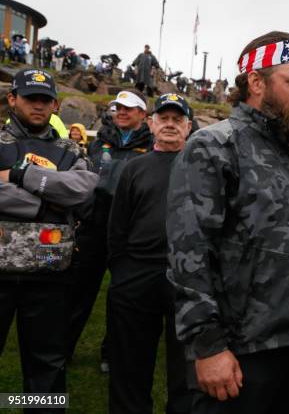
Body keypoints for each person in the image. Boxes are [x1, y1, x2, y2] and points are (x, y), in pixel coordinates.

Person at [166, 31, 289, 414]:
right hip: (244, 349)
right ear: (256, 82)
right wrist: (208, 345)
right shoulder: (214, 147)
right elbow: (189, 253)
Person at [0, 69, 98, 403]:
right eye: (30, 98)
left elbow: (84, 192)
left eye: (45, 100)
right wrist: (47, 206)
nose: (38, 106)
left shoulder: (69, 148)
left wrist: (18, 175)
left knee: (47, 367)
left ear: (55, 104)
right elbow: (65, 194)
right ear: (13, 99)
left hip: (49, 272)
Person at [106, 93, 192, 414]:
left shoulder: (203, 167)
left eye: (177, 119)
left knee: (187, 368)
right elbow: (116, 227)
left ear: (188, 126)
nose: (170, 124)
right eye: (164, 118)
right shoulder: (133, 168)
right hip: (136, 276)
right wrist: (123, 272)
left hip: (188, 277)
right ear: (152, 123)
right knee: (129, 364)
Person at [66, 89, 153, 371]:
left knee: (122, 297)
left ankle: (111, 353)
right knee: (78, 292)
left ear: (143, 113)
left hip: (129, 233)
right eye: (118, 108)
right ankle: (61, 350)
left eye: (129, 108)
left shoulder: (152, 146)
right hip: (94, 227)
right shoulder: (99, 141)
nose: (121, 112)